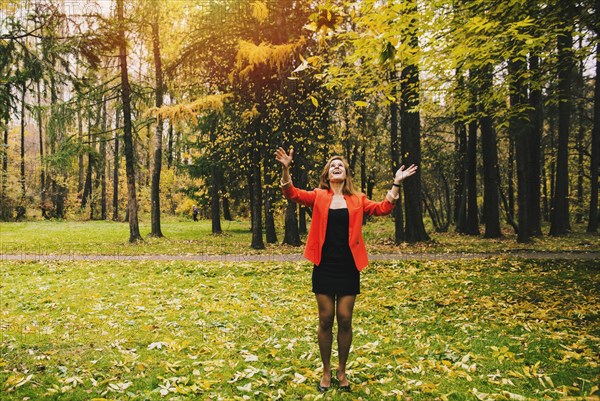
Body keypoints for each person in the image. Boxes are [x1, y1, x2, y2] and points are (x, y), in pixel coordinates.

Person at [275, 147, 417, 393]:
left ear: (346, 173)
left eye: (340, 165)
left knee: (345, 318)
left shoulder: (357, 200)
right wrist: (286, 168)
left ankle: (342, 369)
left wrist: (396, 183)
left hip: (348, 267)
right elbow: (292, 194)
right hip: (324, 266)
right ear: (327, 174)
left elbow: (384, 207)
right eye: (332, 165)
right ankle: (327, 370)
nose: (336, 167)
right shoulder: (319, 195)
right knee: (326, 318)